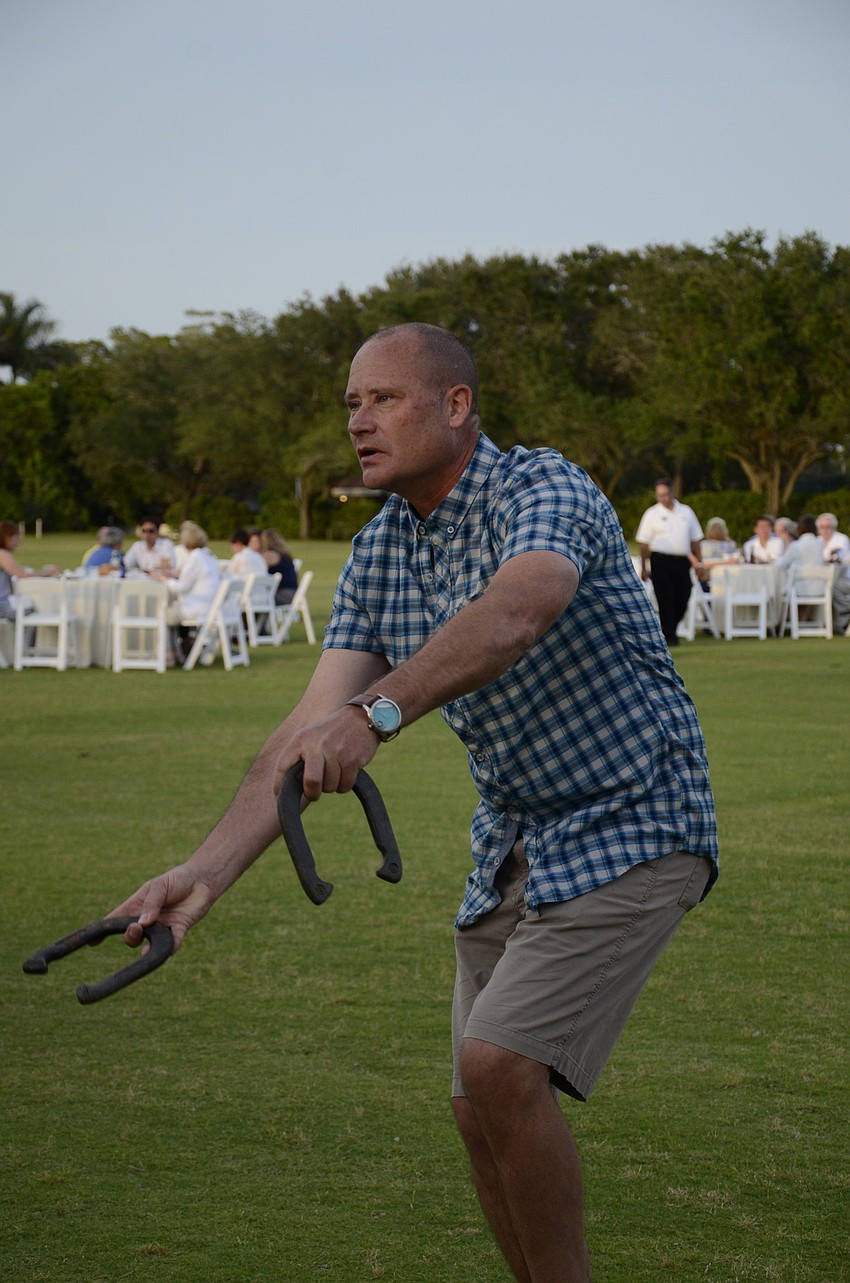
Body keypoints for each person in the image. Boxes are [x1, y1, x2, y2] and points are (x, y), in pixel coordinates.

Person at [111, 324, 718, 1282]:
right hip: (519, 836)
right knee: (476, 1104)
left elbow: (521, 607)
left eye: (383, 398)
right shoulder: (380, 548)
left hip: (637, 814)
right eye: (351, 402)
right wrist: (200, 878)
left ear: (457, 405)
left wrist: (378, 710)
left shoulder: (541, 487)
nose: (358, 421)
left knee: (497, 1066)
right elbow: (301, 733)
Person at [636, 479, 703, 646]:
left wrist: (699, 563)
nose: (663, 499)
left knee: (684, 594)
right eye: (659, 495)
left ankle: (670, 629)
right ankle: (669, 636)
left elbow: (696, 540)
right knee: (665, 597)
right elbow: (644, 543)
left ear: (672, 493)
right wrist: (644, 566)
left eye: (665, 495)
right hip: (661, 559)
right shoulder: (652, 514)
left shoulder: (686, 512)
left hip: (682, 560)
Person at [155, 521, 221, 664]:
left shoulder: (194, 558)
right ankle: (177, 651)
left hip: (196, 608)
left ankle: (170, 654)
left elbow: (182, 588)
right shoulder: (207, 556)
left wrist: (163, 579)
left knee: (161, 614)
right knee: (170, 613)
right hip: (209, 607)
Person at [0, 520, 61, 620]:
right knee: (32, 613)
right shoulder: (2, 554)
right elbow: (22, 575)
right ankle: (23, 636)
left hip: (3, 605)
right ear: (7, 537)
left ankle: (19, 635)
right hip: (1, 608)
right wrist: (46, 572)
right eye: (16, 537)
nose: (18, 542)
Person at [816, 513, 850, 633]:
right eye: (822, 527)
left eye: (828, 527)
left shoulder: (841, 539)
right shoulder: (817, 541)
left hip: (843, 579)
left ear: (834, 527)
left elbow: (842, 561)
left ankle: (842, 623)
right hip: (822, 580)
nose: (825, 530)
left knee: (834, 589)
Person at [259, 528, 298, 604]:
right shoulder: (284, 554)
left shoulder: (270, 555)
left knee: (256, 599)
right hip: (293, 593)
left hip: (283, 594)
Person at [697, 517, 739, 584]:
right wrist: (725, 562)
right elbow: (735, 562)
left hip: (705, 581)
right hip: (726, 581)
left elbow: (700, 564)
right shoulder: (730, 545)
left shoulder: (702, 545)